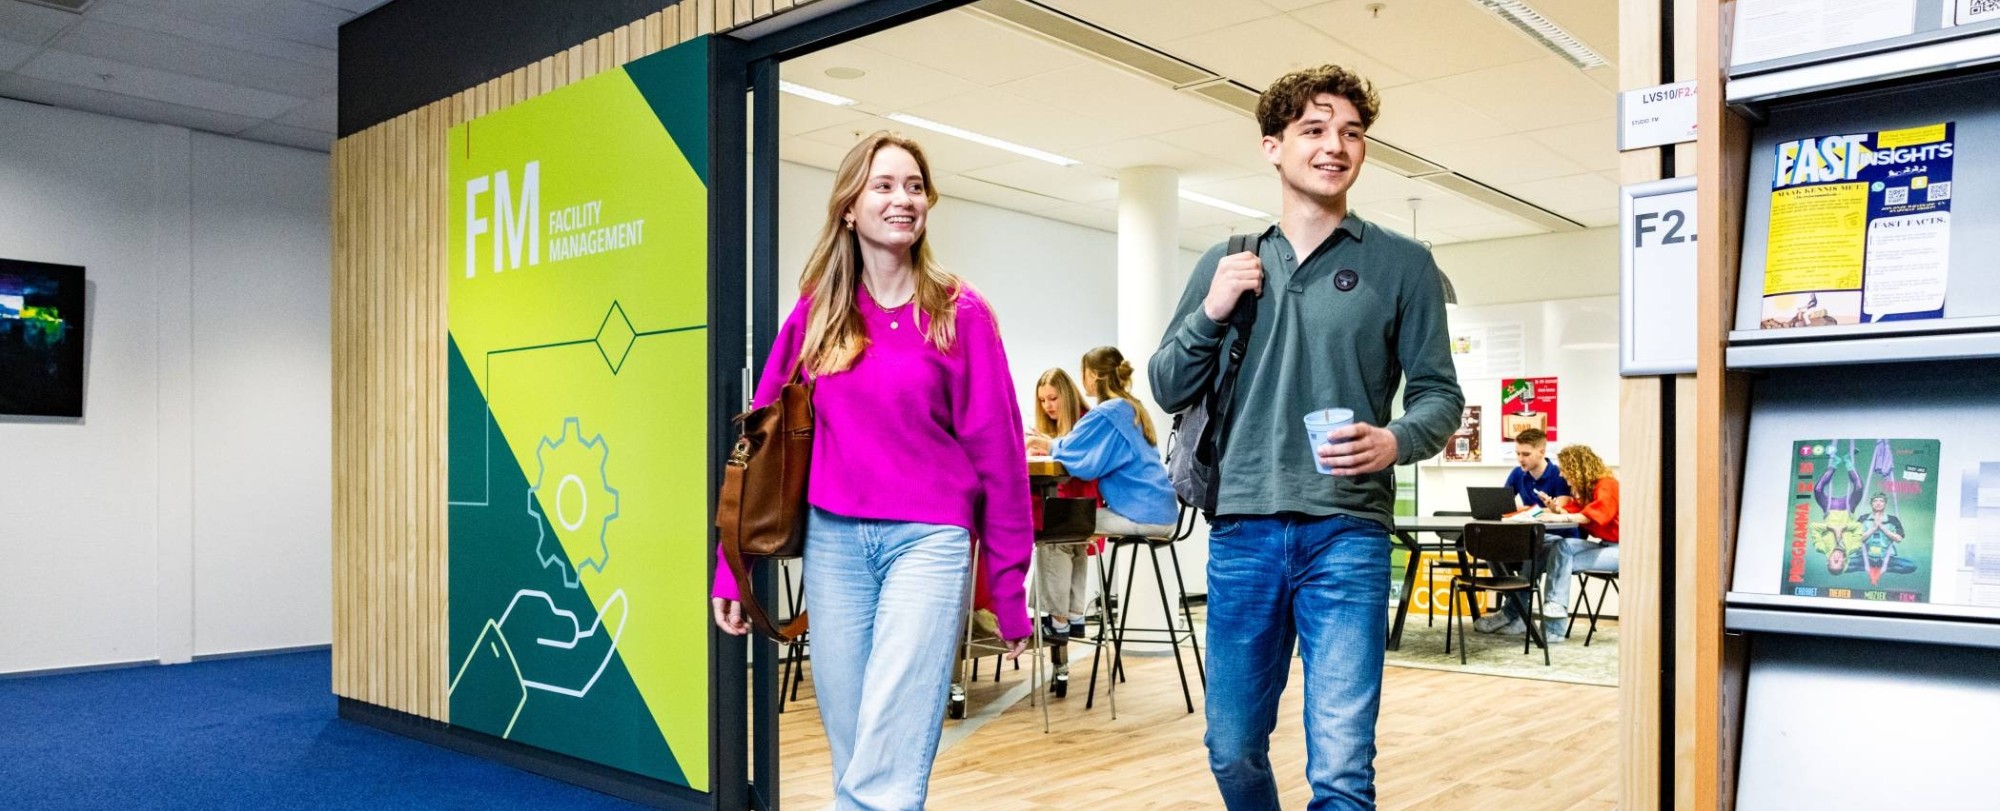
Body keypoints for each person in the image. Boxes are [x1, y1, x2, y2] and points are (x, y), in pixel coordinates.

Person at [1149, 64, 1463, 811]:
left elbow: (1439, 394)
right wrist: (1212, 309)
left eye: (1352, 132)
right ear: (1273, 147)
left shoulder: (1404, 265)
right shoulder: (1227, 260)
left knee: (1343, 770)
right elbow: (1165, 384)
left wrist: (1397, 439)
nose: (1336, 146)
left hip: (1348, 532)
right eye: (1314, 130)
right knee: (1231, 748)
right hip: (1243, 529)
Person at [709, 131, 1033, 810]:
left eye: (914, 186)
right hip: (835, 542)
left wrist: (1006, 588)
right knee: (855, 745)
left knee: (885, 761)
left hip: (929, 541)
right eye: (884, 185)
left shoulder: (960, 314)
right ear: (850, 207)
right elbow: (759, 448)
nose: (902, 198)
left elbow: (1000, 458)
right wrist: (730, 565)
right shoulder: (817, 314)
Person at [1024, 367, 1101, 641]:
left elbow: (1082, 464)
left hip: (1077, 507)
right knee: (1064, 541)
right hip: (1075, 508)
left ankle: (1058, 621)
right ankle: (1073, 616)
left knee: (1055, 539)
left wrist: (1048, 445)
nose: (1048, 406)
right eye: (1043, 401)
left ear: (1067, 396)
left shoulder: (1086, 423)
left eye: (1053, 399)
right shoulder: (1059, 428)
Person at [1474, 427, 1571, 635]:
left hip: (1558, 539)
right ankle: (1518, 612)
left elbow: (1562, 508)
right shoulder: (1518, 473)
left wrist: (1527, 510)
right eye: (1518, 453)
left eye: (1526, 454)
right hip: (1530, 535)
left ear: (1542, 452)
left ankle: (1512, 613)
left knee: (1531, 549)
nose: (1520, 459)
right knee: (1490, 548)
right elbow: (1504, 503)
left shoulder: (1558, 475)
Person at [1539, 444, 1621, 640]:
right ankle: (1555, 615)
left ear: (1577, 468)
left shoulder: (1607, 485)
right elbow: (1576, 510)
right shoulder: (1587, 491)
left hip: (1623, 551)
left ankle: (1554, 628)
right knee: (1562, 546)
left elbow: (1592, 515)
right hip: (1605, 545)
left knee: (1560, 563)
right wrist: (1556, 510)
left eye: (1564, 469)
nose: (1561, 475)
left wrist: (1560, 518)